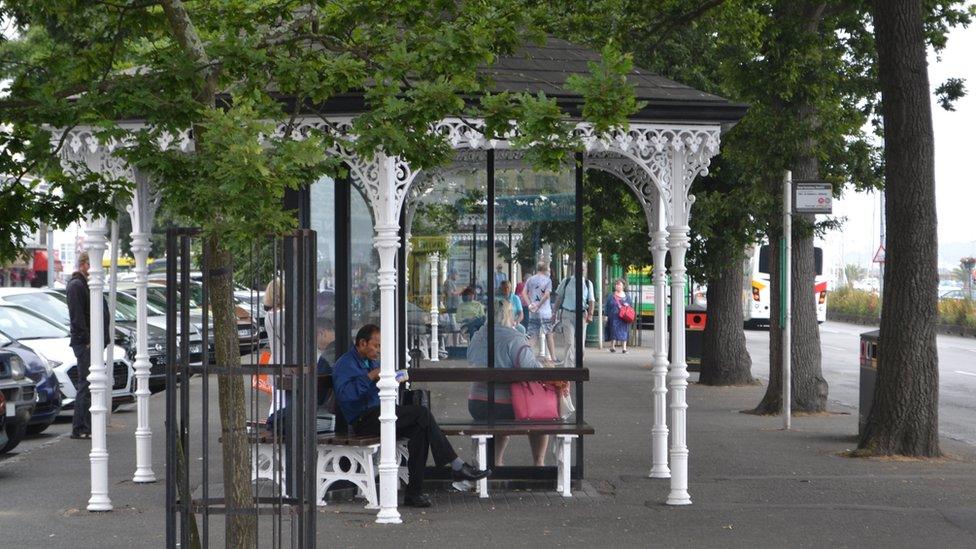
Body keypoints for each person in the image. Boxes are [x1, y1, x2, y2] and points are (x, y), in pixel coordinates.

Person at [333, 324, 491, 508]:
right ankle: (456, 466)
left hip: (382, 413)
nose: (379, 350)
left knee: (420, 429)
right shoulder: (344, 364)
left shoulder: (371, 362)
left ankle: (415, 493)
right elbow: (346, 396)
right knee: (421, 413)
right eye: (376, 346)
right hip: (363, 420)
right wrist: (370, 377)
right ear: (362, 343)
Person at [467, 299, 552, 465]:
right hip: (506, 406)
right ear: (509, 315)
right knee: (541, 417)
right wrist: (544, 365)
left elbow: (471, 358)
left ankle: (496, 463)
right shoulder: (515, 338)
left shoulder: (477, 336)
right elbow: (533, 370)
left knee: (499, 423)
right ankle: (539, 463)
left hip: (477, 405)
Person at [65, 252, 110, 440]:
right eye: (92, 264)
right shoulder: (77, 286)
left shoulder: (87, 284)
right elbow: (77, 317)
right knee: (86, 385)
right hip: (86, 342)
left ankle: (88, 426)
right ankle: (80, 427)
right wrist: (87, 339)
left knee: (91, 384)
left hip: (93, 341)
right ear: (84, 264)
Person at [553, 262, 595, 367]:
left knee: (580, 343)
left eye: (582, 268)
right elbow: (559, 298)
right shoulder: (566, 281)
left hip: (582, 315)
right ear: (574, 269)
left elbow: (591, 300)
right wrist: (554, 312)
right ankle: (569, 367)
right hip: (567, 313)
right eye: (578, 268)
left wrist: (590, 314)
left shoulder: (587, 283)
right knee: (569, 342)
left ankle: (579, 364)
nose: (580, 270)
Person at [522, 261, 555, 359]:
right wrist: (539, 305)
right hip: (545, 312)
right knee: (549, 334)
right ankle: (553, 357)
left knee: (533, 336)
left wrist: (531, 305)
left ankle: (523, 356)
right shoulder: (548, 280)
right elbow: (546, 295)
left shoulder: (530, 280)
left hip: (533, 313)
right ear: (545, 270)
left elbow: (524, 293)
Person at [604, 279, 634, 353]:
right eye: (616, 285)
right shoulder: (611, 296)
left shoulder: (627, 296)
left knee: (624, 331)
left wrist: (627, 306)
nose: (617, 286)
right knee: (613, 330)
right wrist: (606, 315)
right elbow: (607, 306)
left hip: (623, 317)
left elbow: (630, 306)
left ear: (623, 286)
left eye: (619, 285)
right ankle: (612, 346)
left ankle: (624, 348)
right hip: (613, 316)